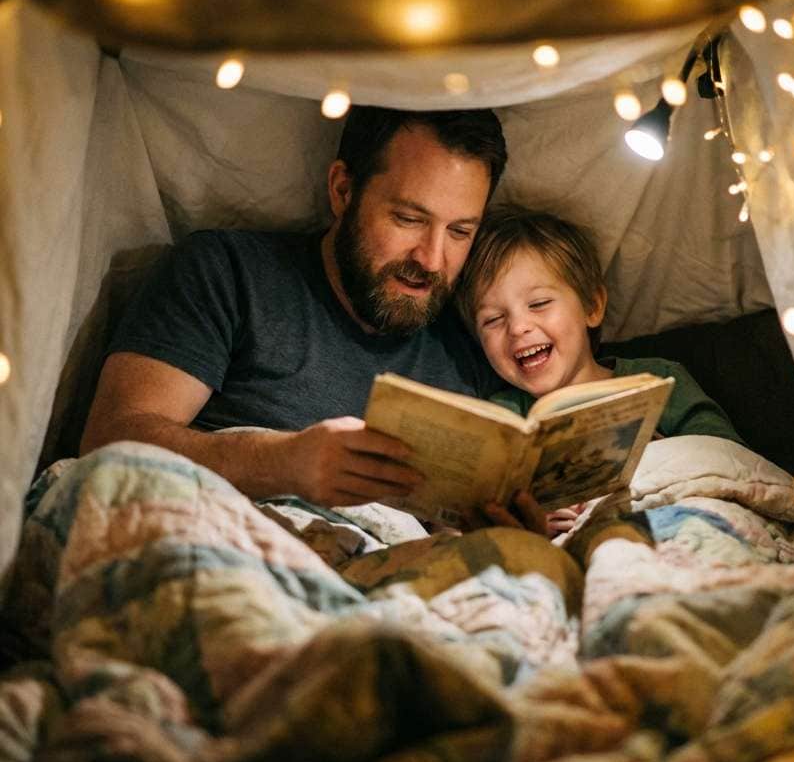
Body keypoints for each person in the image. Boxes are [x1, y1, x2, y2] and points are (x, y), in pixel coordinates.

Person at [80, 106, 507, 509]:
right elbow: (109, 443)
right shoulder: (229, 273)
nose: (431, 260)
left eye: (459, 232)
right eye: (408, 220)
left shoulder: (476, 341)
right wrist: (281, 463)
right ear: (343, 191)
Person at [455, 205, 744, 535]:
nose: (519, 327)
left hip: (672, 521)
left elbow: (728, 456)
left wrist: (658, 454)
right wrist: (534, 518)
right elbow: (475, 509)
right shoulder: (501, 417)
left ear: (592, 307)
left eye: (539, 304)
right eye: (492, 320)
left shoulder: (657, 380)